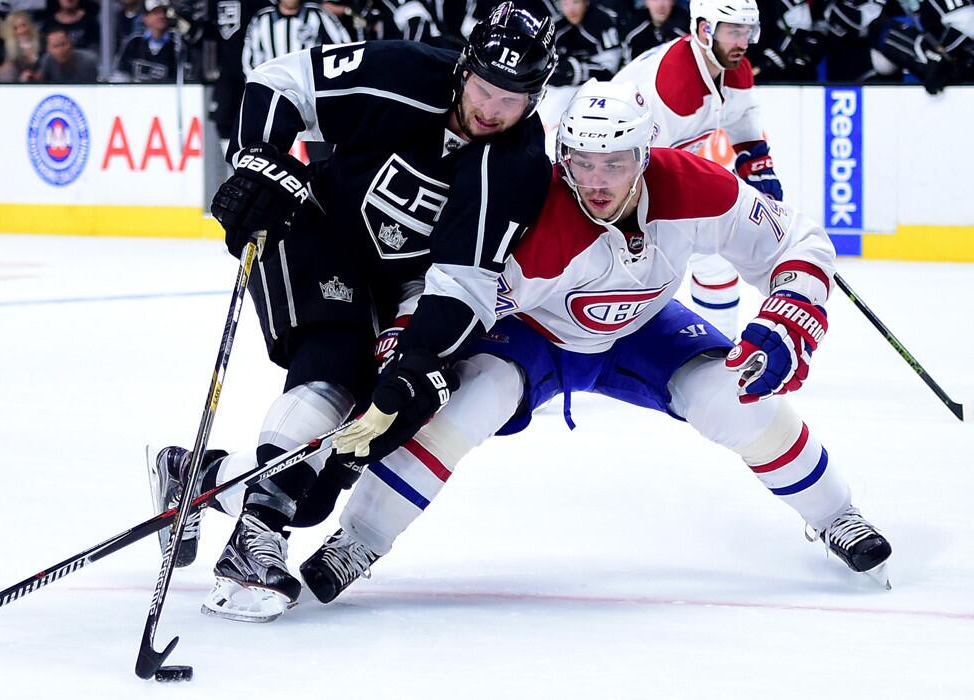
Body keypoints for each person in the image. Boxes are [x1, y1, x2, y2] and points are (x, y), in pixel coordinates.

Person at [298, 80, 894, 605]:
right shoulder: (539, 223)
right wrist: (407, 361)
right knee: (474, 398)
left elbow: (799, 239)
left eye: (614, 162)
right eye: (581, 162)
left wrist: (790, 311)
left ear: (646, 154)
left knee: (734, 397)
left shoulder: (695, 186)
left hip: (642, 326)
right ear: (563, 156)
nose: (596, 182)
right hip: (539, 333)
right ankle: (359, 540)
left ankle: (837, 514)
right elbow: (464, 297)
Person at [149, 2, 558, 623]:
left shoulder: (520, 164)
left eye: (513, 98)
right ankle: (253, 544)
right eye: (484, 87)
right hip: (318, 232)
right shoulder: (403, 70)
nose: (492, 109)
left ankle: (197, 477)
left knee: (323, 475)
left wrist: (417, 360)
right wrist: (259, 158)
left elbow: (463, 279)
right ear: (464, 68)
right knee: (333, 367)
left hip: (407, 284)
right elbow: (280, 81)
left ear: (537, 95)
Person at [613, 0, 781, 341]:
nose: (743, 42)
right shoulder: (675, 86)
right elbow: (638, 165)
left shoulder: (734, 69)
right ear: (705, 29)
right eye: (734, 31)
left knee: (713, 259)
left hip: (647, 172)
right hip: (606, 179)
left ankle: (719, 352)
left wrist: (759, 168)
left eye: (748, 31)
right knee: (635, 277)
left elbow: (743, 123)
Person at [240, 0, 349, 76]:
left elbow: (344, 47)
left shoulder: (318, 14)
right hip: (274, 88)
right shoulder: (262, 19)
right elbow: (250, 60)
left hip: (311, 89)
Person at [549, 0, 623, 86]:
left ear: (586, 2)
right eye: (565, 4)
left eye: (575, 2)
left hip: (604, 84)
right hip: (569, 86)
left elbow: (612, 68)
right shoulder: (557, 27)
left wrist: (577, 70)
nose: (571, 10)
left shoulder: (602, 20)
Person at [114, 0, 183, 82]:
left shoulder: (177, 45)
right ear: (145, 17)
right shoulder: (133, 43)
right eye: (156, 12)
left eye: (164, 12)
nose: (162, 16)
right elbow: (121, 73)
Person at [622, 0, 689, 62]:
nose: (660, 6)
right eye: (655, 0)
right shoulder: (634, 31)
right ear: (646, 2)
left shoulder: (687, 31)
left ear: (672, 1)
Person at [4, 10, 42, 81]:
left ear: (30, 25)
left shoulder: (42, 42)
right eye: (16, 28)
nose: (21, 30)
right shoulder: (9, 49)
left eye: (23, 25)